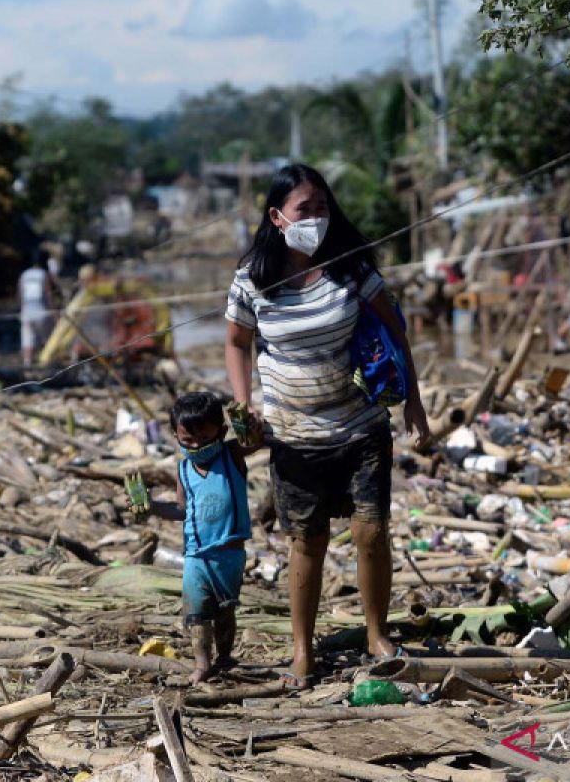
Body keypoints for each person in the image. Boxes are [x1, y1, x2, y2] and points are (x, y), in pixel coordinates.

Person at [224, 163, 430, 688]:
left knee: (371, 531)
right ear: (276, 217)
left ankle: (377, 634)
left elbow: (394, 329)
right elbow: (236, 344)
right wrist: (244, 404)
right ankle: (301, 649)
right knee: (307, 541)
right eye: (303, 209)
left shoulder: (350, 267)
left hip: (360, 422)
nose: (315, 217)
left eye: (321, 207)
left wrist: (414, 403)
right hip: (293, 433)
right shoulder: (253, 279)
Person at [126, 393, 253, 685]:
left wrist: (250, 426)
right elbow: (182, 509)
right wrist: (152, 506)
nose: (196, 447)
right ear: (176, 437)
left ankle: (224, 656)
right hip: (196, 554)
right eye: (187, 441)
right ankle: (201, 663)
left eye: (204, 439)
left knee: (224, 611)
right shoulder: (184, 470)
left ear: (221, 433)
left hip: (229, 552)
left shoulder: (231, 455)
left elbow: (257, 442)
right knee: (195, 612)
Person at [19, 254, 58, 366]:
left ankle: (27, 364)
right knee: (46, 339)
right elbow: (48, 294)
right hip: (41, 312)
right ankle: (45, 363)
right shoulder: (43, 274)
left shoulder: (24, 274)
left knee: (28, 339)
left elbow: (21, 295)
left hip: (26, 312)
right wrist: (54, 312)